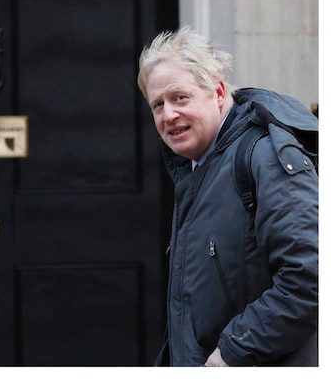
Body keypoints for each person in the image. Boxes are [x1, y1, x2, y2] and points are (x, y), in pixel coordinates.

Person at [136, 26, 317, 366]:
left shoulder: (264, 158)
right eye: (157, 104)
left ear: (218, 93)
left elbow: (311, 280)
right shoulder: (194, 167)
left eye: (180, 98)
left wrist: (233, 351)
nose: (168, 115)